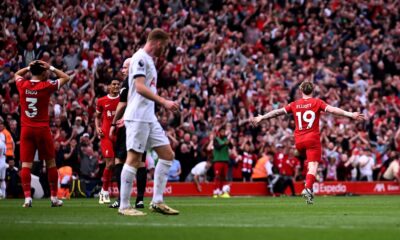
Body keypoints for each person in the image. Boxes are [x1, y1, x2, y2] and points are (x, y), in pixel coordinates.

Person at [251, 81, 365, 204]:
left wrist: (262, 117)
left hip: (299, 141)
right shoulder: (317, 102)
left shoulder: (295, 104)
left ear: (300, 91)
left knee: (307, 162)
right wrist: (350, 114)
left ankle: (308, 190)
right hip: (312, 140)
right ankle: (308, 188)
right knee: (313, 166)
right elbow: (333, 110)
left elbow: (277, 111)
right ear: (313, 90)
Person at [118, 28, 179, 216]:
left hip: (148, 116)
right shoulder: (140, 58)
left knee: (167, 154)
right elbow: (139, 87)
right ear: (158, 42)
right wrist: (164, 101)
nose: (165, 50)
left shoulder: (149, 60)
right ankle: (124, 206)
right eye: (165, 46)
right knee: (134, 159)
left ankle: (157, 201)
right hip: (138, 116)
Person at [15, 60, 70, 207]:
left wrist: (29, 66)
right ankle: (53, 198)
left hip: (26, 130)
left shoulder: (22, 85)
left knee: (26, 165)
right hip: (42, 130)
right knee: (51, 163)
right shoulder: (45, 86)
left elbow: (16, 74)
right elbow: (66, 77)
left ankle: (27, 198)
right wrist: (51, 67)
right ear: (44, 72)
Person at [108, 58, 148, 209]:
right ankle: (140, 199)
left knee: (120, 159)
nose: (122, 70)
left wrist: (113, 122)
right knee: (140, 161)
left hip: (128, 124)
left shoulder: (127, 82)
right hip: (142, 123)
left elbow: (122, 104)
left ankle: (121, 198)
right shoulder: (143, 81)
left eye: (125, 67)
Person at [95, 78, 120, 204]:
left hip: (120, 135)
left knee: (117, 165)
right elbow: (97, 117)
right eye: (113, 84)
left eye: (117, 84)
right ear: (109, 86)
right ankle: (104, 191)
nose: (116, 86)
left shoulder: (123, 100)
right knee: (110, 163)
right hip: (106, 135)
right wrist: (97, 127)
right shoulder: (101, 101)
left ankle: (112, 192)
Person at [208, 127, 231, 198]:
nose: (223, 133)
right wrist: (225, 143)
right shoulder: (216, 139)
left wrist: (229, 142)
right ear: (219, 133)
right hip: (218, 160)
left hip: (225, 160)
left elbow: (231, 146)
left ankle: (223, 192)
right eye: (222, 132)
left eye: (224, 132)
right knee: (217, 176)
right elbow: (217, 147)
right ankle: (215, 192)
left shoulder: (226, 139)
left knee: (224, 177)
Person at [0, 133, 6, 199]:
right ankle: (4, 194)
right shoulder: (4, 144)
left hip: (0, 161)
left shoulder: (0, 143)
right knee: (2, 179)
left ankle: (0, 193)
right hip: (4, 161)